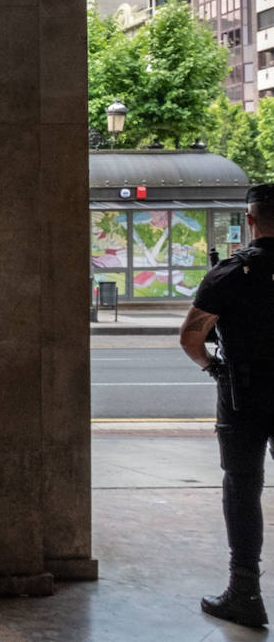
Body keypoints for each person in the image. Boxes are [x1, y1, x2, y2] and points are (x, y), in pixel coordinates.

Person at [182, 183, 274, 628]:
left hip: (243, 395)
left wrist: (214, 368)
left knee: (242, 485)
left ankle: (244, 591)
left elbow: (191, 338)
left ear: (250, 220)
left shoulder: (227, 275)